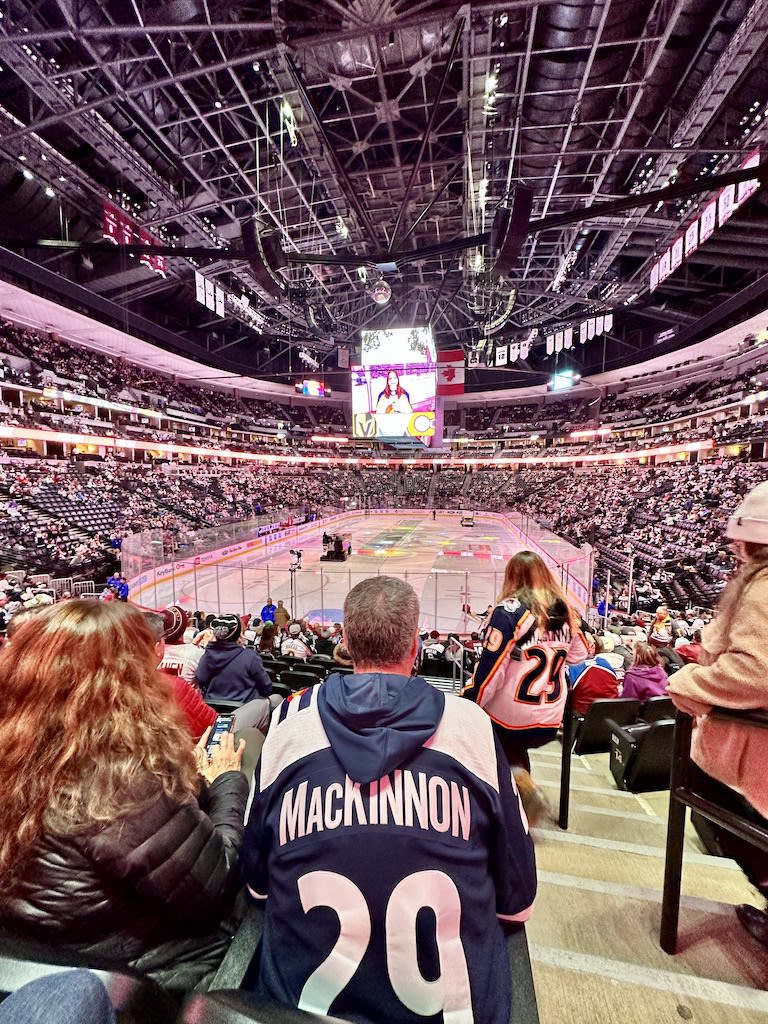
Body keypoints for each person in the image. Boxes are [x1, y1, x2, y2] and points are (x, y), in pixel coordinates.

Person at [242, 576, 535, 1024]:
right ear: (415, 647)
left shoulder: (288, 722)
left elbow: (257, 884)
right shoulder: (470, 724)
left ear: (345, 642)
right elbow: (518, 903)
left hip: (297, 1010)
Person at [0, 601, 249, 991]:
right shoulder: (119, 779)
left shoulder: (18, 751)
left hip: (43, 964)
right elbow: (216, 886)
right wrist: (227, 781)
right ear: (127, 676)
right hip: (143, 975)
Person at [667, 481, 768, 947]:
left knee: (699, 787)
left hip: (754, 745)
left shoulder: (763, 587)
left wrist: (688, 684)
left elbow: (755, 670)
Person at [462, 550, 589, 817]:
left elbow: (491, 672)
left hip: (514, 715)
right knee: (512, 744)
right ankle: (519, 792)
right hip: (551, 718)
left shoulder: (510, 611)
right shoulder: (567, 611)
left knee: (479, 734)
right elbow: (579, 654)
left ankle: (511, 784)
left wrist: (469, 702)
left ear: (511, 577)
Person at [196, 615, 278, 730]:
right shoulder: (249, 657)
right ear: (238, 634)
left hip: (214, 713)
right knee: (277, 699)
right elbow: (266, 688)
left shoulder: (206, 656)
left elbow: (200, 680)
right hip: (245, 714)